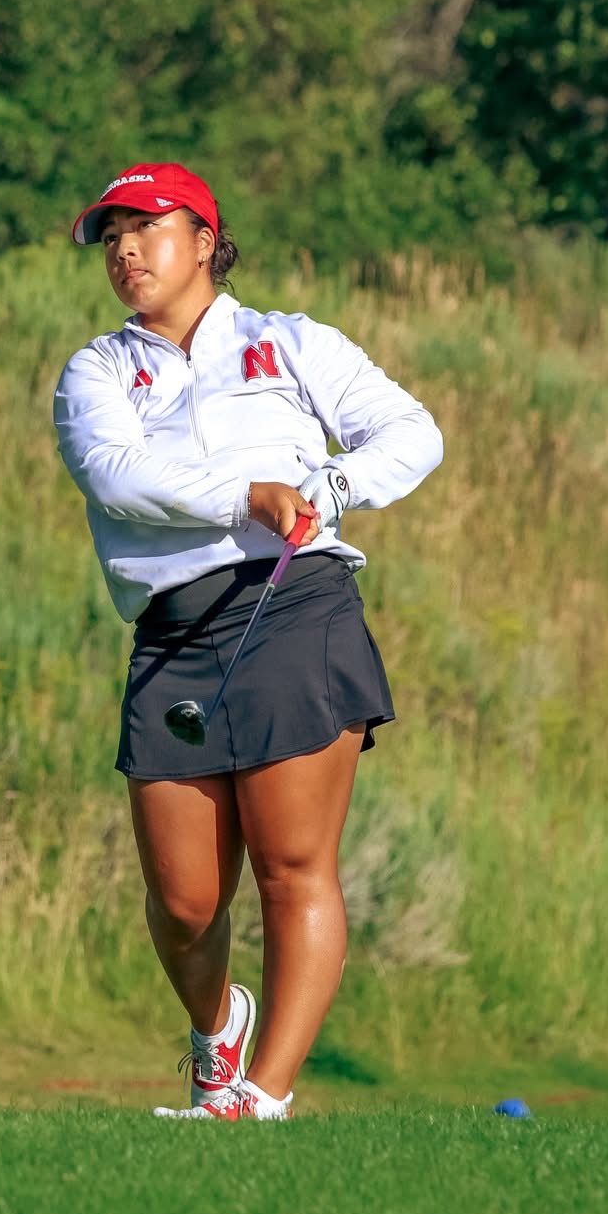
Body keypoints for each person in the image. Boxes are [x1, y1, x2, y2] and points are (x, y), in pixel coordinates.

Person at [52, 163, 443, 1121]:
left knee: (291, 865)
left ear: (204, 237)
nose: (127, 251)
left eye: (145, 227)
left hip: (295, 604)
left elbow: (412, 431)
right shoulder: (97, 369)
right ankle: (217, 1020)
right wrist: (245, 494)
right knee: (185, 903)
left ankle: (259, 1097)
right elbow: (116, 476)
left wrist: (335, 488)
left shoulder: (292, 343)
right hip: (175, 628)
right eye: (111, 239)